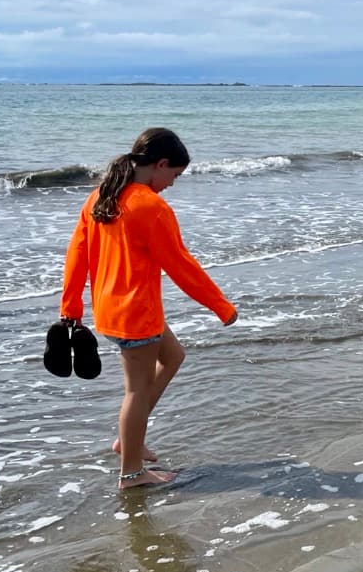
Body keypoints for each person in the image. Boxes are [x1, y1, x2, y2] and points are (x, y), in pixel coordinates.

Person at [60, 128, 238, 489]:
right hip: (136, 315)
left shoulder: (100, 196)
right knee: (136, 392)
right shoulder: (150, 206)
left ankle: (130, 440)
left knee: (173, 357)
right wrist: (220, 306)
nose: (172, 184)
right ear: (159, 164)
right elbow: (181, 265)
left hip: (111, 310)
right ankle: (132, 472)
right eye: (174, 175)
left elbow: (76, 255)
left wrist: (72, 306)